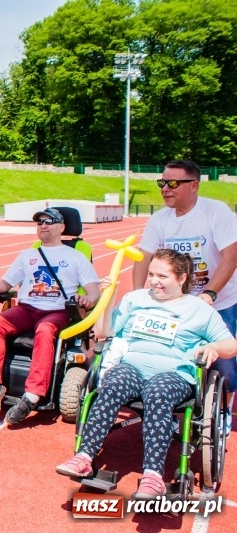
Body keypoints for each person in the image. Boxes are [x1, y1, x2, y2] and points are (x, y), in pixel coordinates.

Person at [56, 249, 237, 498]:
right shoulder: (135, 299)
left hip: (173, 374)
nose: (153, 281)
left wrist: (213, 347)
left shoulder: (199, 309)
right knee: (111, 383)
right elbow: (104, 332)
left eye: (162, 276)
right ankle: (84, 456)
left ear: (182, 278)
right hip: (132, 367)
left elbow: (231, 345)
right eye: (151, 274)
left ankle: (153, 477)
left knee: (157, 392)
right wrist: (109, 297)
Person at [133, 160, 237, 436]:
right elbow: (143, 257)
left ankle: (223, 411)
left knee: (223, 363)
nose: (165, 188)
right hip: (176, 303)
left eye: (173, 183)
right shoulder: (160, 219)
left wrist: (209, 294)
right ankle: (172, 408)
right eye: (162, 183)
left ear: (194, 185)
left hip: (220, 300)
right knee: (171, 354)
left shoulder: (215, 212)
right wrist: (137, 295)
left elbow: (231, 256)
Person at [0, 207, 101, 425]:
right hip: (27, 309)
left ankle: (32, 395)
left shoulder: (77, 257)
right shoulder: (28, 255)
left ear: (62, 227)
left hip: (57, 310)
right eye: (40, 222)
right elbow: (6, 282)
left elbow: (94, 290)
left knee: (45, 330)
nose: (43, 225)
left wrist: (88, 299)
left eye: (49, 221)